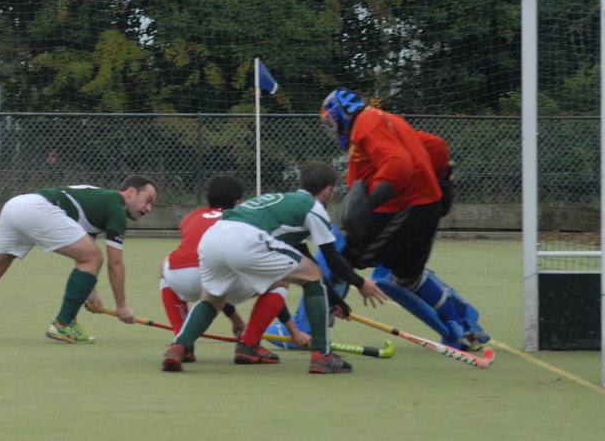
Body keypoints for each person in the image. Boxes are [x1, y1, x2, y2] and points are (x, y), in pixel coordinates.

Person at [161, 162, 386, 374]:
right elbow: (331, 260)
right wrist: (360, 283)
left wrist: (336, 301)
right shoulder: (313, 208)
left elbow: (305, 260)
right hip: (246, 238)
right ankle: (322, 356)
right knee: (312, 276)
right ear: (328, 191)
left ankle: (179, 347)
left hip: (213, 238)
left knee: (213, 299)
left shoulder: (281, 201)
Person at [320, 88, 488, 350]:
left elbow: (398, 166)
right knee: (407, 275)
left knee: (343, 258)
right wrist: (442, 183)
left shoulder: (365, 123)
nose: (332, 130)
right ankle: (460, 329)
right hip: (424, 208)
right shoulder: (388, 119)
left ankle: (311, 329)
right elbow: (435, 146)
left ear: (341, 113)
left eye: (331, 121)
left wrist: (369, 205)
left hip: (403, 209)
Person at [0, 176, 158, 343]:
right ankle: (63, 324)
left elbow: (83, 253)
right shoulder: (115, 206)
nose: (147, 208)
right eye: (147, 200)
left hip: (18, 207)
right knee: (95, 257)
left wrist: (90, 293)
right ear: (130, 192)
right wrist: (122, 306)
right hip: (39, 210)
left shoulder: (100, 203)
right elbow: (113, 262)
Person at [160, 174, 310, 364]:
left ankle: (181, 343)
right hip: (215, 275)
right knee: (279, 281)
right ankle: (249, 345)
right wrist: (294, 332)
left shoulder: (191, 217)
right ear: (238, 203)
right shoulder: (240, 221)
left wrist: (236, 320)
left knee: (165, 269)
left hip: (180, 277)